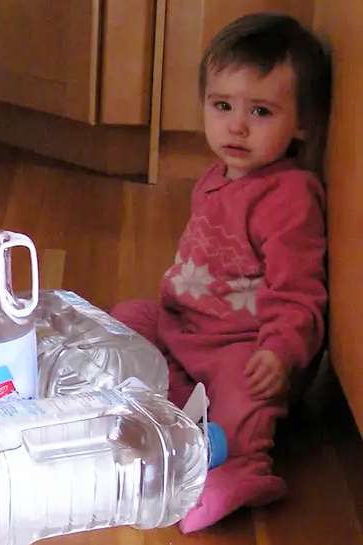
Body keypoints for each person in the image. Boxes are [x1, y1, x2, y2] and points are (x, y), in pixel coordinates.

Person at [111, 13, 331, 532]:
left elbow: (299, 291)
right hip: (185, 326)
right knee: (126, 319)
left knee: (244, 392)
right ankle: (164, 409)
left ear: (302, 123)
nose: (236, 125)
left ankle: (237, 469)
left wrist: (280, 351)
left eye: (260, 111)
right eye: (223, 105)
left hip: (245, 346)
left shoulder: (290, 197)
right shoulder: (214, 176)